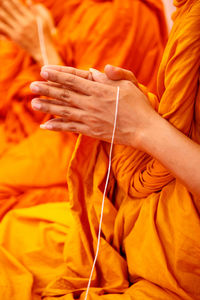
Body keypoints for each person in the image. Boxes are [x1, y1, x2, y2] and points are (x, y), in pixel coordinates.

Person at [0, 0, 167, 220]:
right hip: (28, 121)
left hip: (83, 144)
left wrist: (42, 48)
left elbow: (93, 118)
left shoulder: (120, 12)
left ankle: (89, 209)